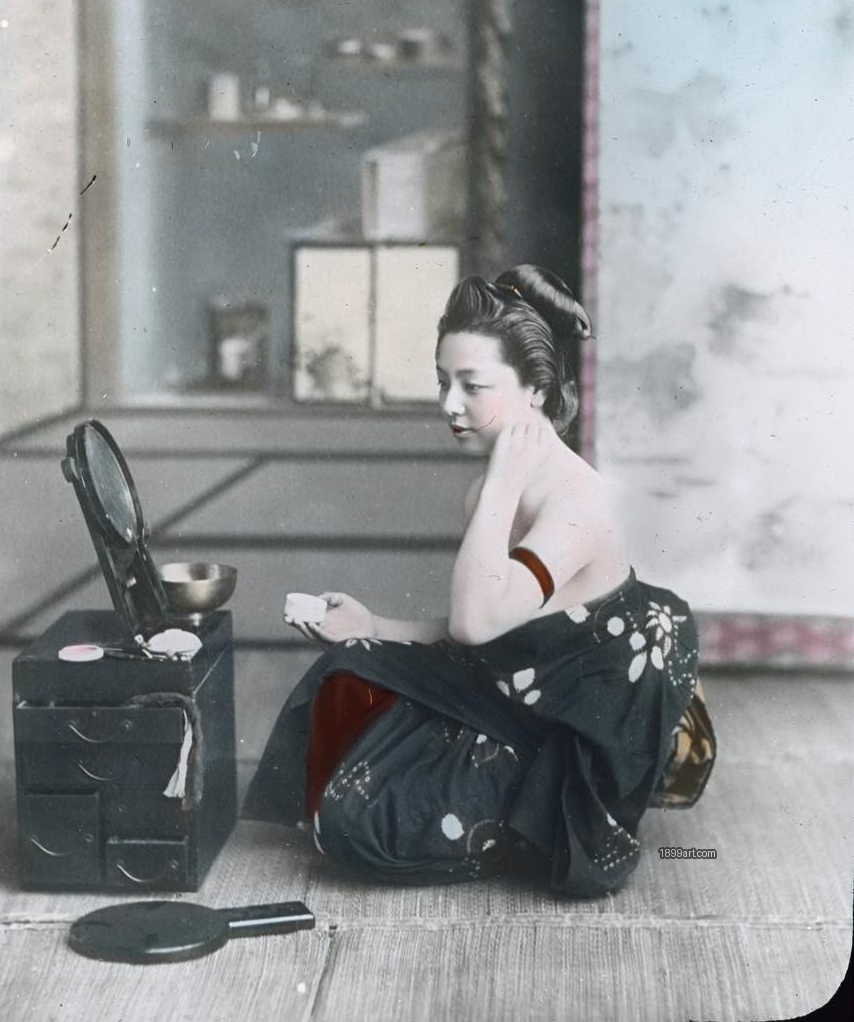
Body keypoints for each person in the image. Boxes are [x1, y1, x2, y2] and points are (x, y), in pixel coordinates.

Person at [242, 265, 716, 897]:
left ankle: (536, 822)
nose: (449, 405)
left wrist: (501, 482)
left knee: (357, 824)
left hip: (575, 732)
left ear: (537, 390)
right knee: (347, 668)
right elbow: (486, 630)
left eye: (472, 385)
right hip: (511, 685)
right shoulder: (486, 492)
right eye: (443, 382)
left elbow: (474, 624)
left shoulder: (577, 502)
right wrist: (374, 625)